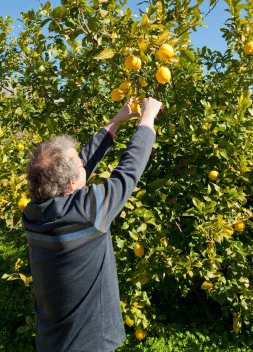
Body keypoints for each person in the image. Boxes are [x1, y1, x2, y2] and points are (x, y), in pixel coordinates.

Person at [23, 96, 162, 352]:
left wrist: (116, 122)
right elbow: (127, 172)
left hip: (52, 340)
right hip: (90, 343)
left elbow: (71, 169)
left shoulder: (33, 214)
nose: (84, 162)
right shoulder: (87, 212)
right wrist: (147, 119)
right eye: (79, 163)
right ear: (73, 183)